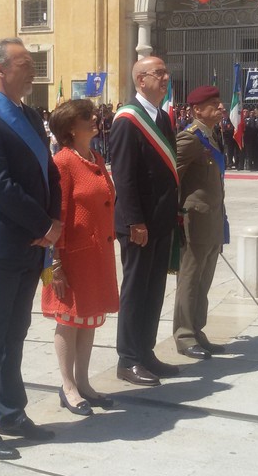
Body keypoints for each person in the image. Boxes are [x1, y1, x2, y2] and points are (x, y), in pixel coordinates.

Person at [0, 38, 62, 460]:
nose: (32, 69)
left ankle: (11, 412)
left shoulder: (29, 114)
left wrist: (53, 223)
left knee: (15, 334)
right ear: (0, 70)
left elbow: (49, 173)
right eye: (24, 63)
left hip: (31, 244)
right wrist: (43, 224)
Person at [41, 99, 119, 417]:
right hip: (67, 260)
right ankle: (67, 386)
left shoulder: (96, 157)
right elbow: (53, 215)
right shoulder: (62, 162)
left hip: (96, 257)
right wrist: (53, 267)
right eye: (87, 117)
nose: (95, 120)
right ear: (71, 127)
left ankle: (84, 383)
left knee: (89, 319)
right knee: (67, 320)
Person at [110, 56, 180, 387]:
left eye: (166, 73)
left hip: (161, 221)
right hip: (139, 225)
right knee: (136, 290)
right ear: (141, 80)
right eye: (159, 73)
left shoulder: (163, 118)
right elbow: (123, 177)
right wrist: (135, 220)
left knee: (155, 290)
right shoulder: (127, 120)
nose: (166, 78)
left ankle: (146, 351)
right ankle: (128, 358)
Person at [173, 86, 228, 360]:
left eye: (220, 103)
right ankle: (184, 335)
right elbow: (171, 178)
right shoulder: (190, 139)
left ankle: (197, 330)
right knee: (190, 280)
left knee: (204, 280)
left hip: (212, 220)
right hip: (194, 222)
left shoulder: (211, 136)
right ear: (197, 110)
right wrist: (175, 214)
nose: (221, 108)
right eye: (214, 104)